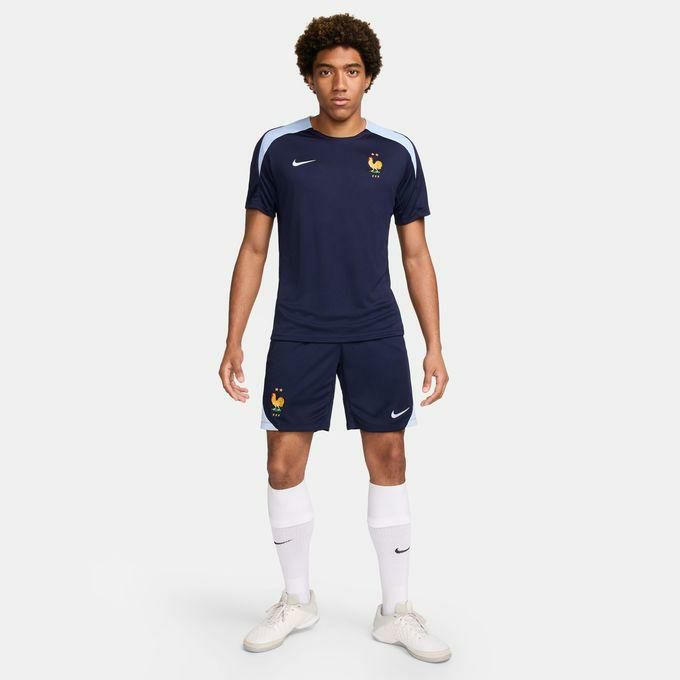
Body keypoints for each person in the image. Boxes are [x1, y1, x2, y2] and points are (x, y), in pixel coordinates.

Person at [219, 13, 451, 663]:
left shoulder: (398, 151)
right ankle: (297, 599)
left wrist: (434, 344)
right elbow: (254, 247)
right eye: (326, 72)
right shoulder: (276, 148)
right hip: (299, 332)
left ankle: (395, 611)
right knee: (282, 464)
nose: (339, 84)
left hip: (375, 331)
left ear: (369, 77)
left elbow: (415, 254)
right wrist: (233, 339)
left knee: (390, 460)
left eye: (351, 71)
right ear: (309, 78)